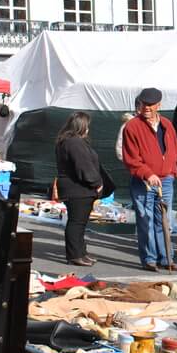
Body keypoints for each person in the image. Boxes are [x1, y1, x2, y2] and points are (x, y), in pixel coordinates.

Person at [122, 87, 177, 272]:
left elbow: (173, 150)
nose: (146, 108)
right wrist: (148, 174)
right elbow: (131, 159)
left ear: (158, 105)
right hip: (144, 181)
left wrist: (171, 170)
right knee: (145, 219)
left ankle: (166, 258)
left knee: (163, 220)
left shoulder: (166, 124)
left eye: (150, 105)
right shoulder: (132, 126)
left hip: (166, 179)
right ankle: (149, 258)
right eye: (143, 104)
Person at [55, 111, 103, 266]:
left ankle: (81, 252)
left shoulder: (67, 141)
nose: (88, 129)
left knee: (79, 222)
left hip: (74, 188)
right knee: (76, 222)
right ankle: (75, 255)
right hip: (78, 189)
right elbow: (84, 167)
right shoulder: (74, 142)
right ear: (81, 126)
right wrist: (96, 183)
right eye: (87, 126)